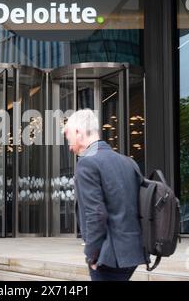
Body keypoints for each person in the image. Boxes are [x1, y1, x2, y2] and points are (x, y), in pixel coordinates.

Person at [64, 109, 146, 281]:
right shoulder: (128, 162)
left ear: (79, 132)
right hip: (133, 253)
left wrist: (92, 255)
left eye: (68, 135)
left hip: (109, 256)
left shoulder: (86, 163)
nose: (69, 144)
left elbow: (96, 214)